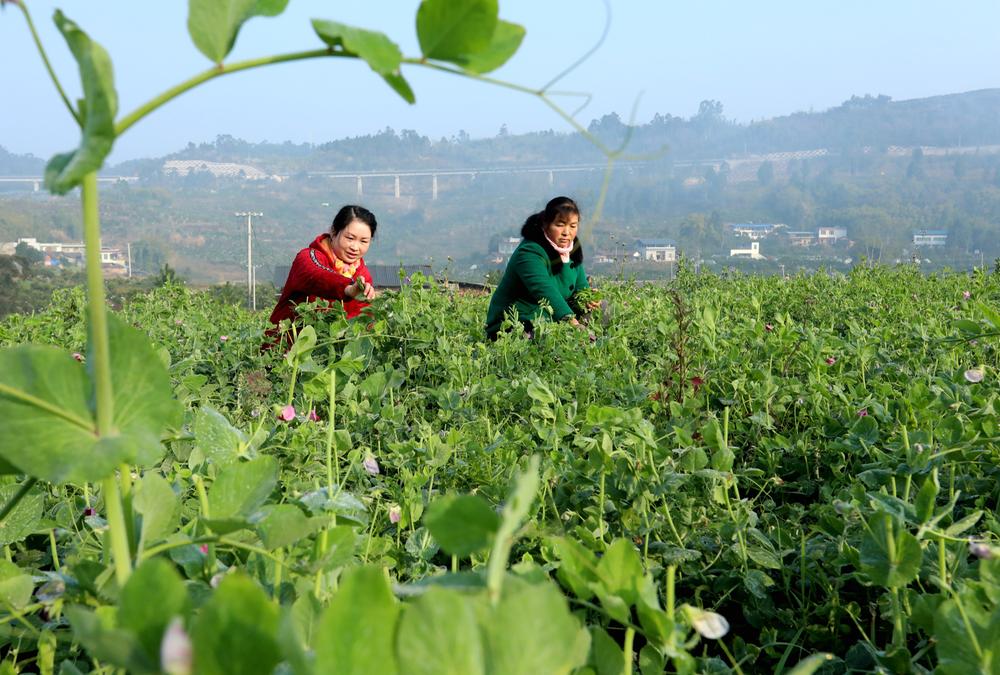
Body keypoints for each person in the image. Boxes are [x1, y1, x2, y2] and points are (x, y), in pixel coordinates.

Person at [485, 196, 596, 340]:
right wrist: (571, 322)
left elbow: (580, 287)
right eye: (560, 225)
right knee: (556, 341)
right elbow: (544, 291)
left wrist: (589, 299)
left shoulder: (571, 250)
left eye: (573, 226)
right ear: (546, 224)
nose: (566, 232)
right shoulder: (529, 252)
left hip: (548, 319)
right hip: (516, 324)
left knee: (603, 309)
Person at [267, 205, 378, 343]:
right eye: (350, 238)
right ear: (333, 231)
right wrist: (348, 288)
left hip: (330, 351)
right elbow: (318, 275)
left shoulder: (363, 276)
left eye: (363, 241)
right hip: (284, 349)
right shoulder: (307, 257)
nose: (355, 247)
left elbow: (362, 322)